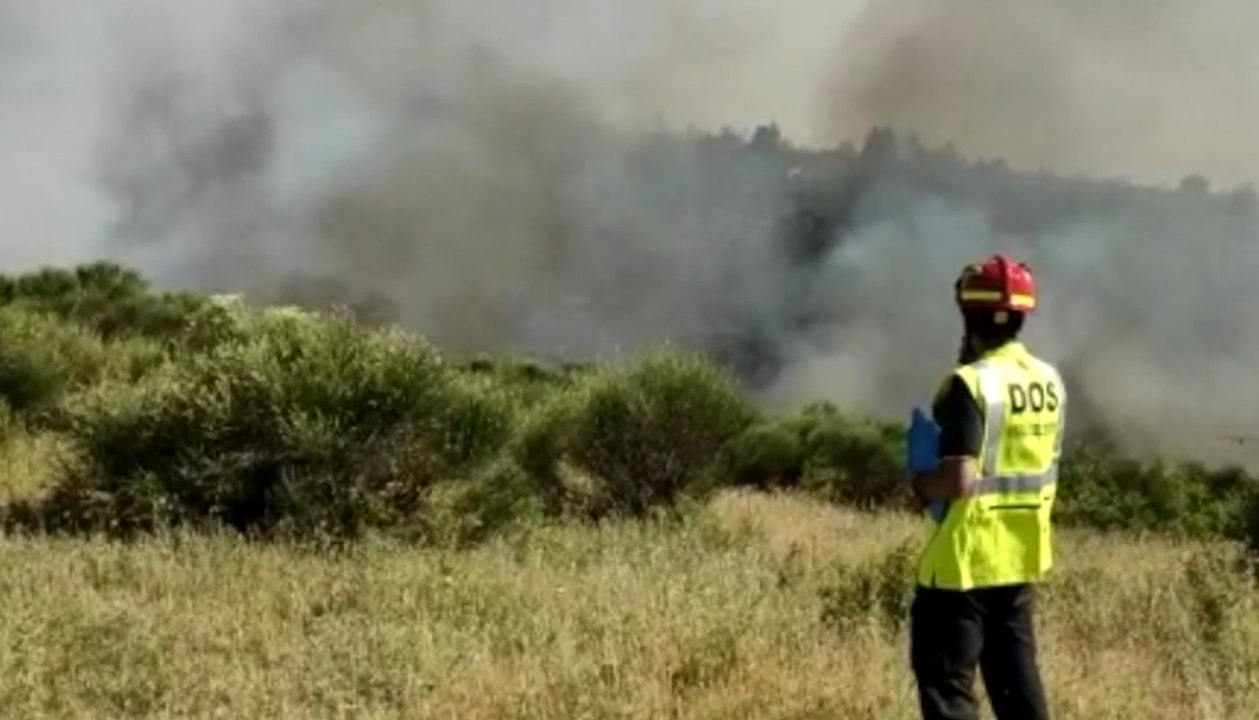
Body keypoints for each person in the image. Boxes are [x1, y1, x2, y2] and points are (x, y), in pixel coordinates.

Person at [908, 253, 1067, 720]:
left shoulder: (970, 384)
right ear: (1021, 317)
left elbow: (958, 478)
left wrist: (920, 484)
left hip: (963, 564)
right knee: (1019, 690)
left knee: (948, 691)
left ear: (968, 314)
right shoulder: (1048, 381)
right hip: (1020, 559)